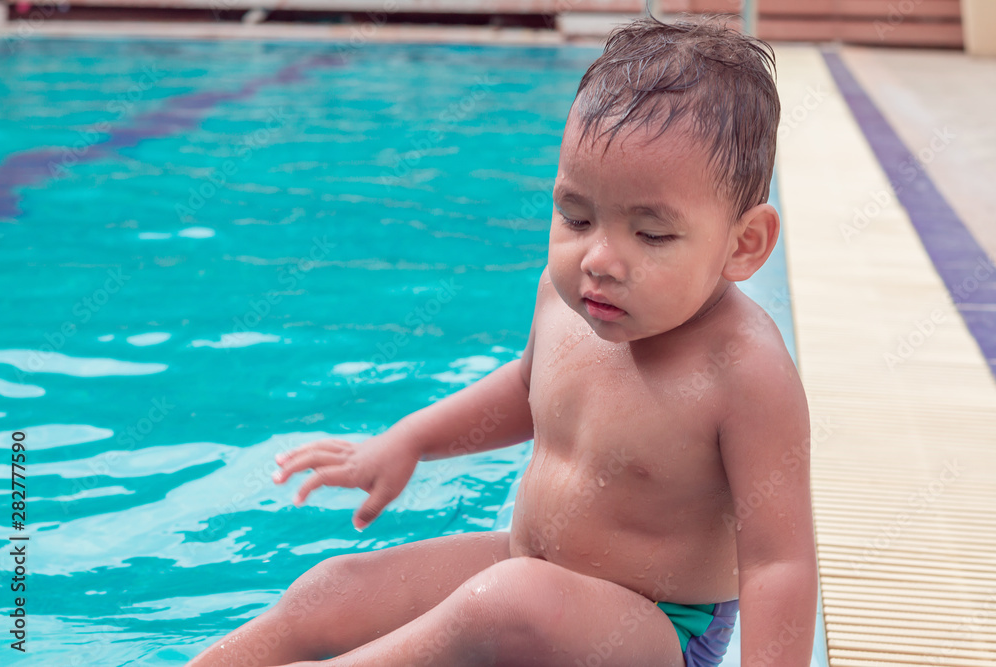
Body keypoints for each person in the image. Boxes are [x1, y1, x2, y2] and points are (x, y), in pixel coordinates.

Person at [188, 13, 817, 667]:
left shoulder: (744, 371)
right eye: (576, 215)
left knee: (503, 604)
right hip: (528, 579)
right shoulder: (567, 297)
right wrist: (408, 440)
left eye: (651, 234)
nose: (599, 258)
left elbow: (780, 563)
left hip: (661, 631)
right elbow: (525, 388)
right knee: (332, 590)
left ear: (744, 244)